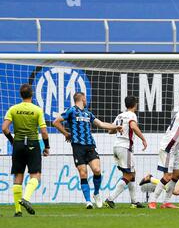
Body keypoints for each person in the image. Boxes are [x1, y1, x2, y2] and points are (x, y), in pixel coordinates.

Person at [53, 92, 122, 209]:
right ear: (82, 98)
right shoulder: (71, 110)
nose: (86, 100)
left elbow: (101, 124)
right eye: (85, 98)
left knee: (97, 169)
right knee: (83, 173)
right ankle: (88, 201)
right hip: (77, 146)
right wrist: (66, 133)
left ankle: (96, 193)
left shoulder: (88, 113)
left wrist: (115, 127)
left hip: (90, 145)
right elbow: (56, 122)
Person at [2, 84, 50, 216]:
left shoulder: (13, 109)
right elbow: (44, 132)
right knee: (36, 175)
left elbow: (4, 128)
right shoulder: (37, 110)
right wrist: (47, 147)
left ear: (20, 95)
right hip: (32, 144)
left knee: (18, 176)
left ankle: (17, 211)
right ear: (32, 94)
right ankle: (26, 198)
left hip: (18, 144)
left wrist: (13, 141)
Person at [104, 96, 148, 209]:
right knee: (129, 174)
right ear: (135, 105)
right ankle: (110, 199)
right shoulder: (132, 115)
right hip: (125, 146)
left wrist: (119, 129)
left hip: (117, 146)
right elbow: (133, 126)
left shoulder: (120, 115)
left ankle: (134, 201)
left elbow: (110, 130)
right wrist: (143, 139)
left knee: (132, 173)